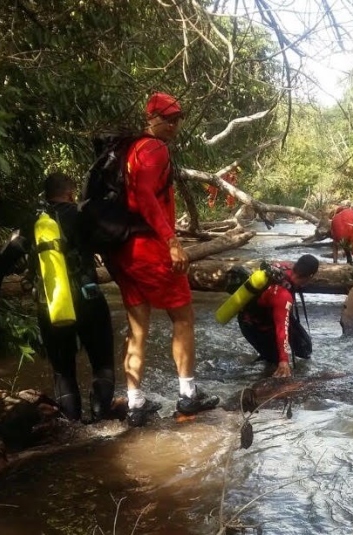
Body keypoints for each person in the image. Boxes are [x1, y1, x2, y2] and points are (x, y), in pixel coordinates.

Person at [106, 91, 218, 427]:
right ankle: (188, 394)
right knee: (183, 318)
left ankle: (135, 402)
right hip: (151, 250)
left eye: (177, 118)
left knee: (138, 328)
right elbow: (143, 195)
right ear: (151, 117)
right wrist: (171, 241)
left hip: (125, 250)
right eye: (167, 118)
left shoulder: (130, 149)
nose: (174, 125)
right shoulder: (154, 148)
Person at [0, 173, 116, 422]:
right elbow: (113, 245)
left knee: (63, 372)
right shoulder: (83, 215)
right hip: (90, 299)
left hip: (50, 304)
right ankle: (102, 422)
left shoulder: (32, 223)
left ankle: (72, 429)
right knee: (102, 364)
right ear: (70, 194)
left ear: (47, 195)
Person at [236, 255, 319, 378]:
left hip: (269, 313)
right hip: (253, 324)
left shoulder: (284, 267)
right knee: (274, 363)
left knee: (304, 347)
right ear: (310, 276)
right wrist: (283, 360)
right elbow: (281, 330)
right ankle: (254, 372)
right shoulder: (283, 296)